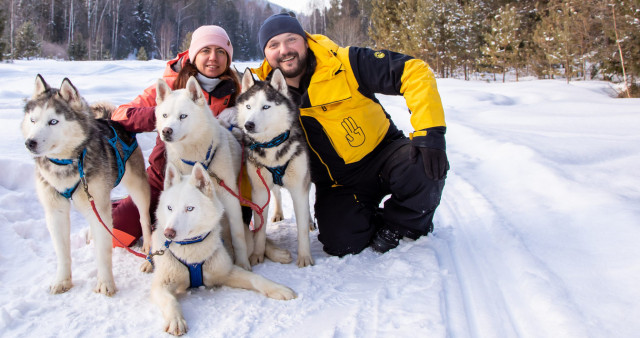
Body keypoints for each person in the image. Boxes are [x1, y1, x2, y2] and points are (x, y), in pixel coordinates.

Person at [252, 13, 449, 256]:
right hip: (338, 183)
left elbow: (415, 71)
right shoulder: (262, 95)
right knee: (341, 242)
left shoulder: (345, 62)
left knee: (423, 165)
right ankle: (369, 218)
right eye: (273, 45)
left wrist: (430, 133)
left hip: (383, 153)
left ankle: (402, 225)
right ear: (265, 53)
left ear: (305, 40)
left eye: (291, 39)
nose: (284, 50)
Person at [110, 25, 247, 247]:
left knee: (222, 235)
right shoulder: (171, 85)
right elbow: (120, 114)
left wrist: (238, 117)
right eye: (205, 50)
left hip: (215, 183)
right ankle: (119, 206)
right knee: (118, 235)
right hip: (164, 178)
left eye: (221, 51)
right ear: (194, 55)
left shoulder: (236, 90)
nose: (213, 57)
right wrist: (163, 117)